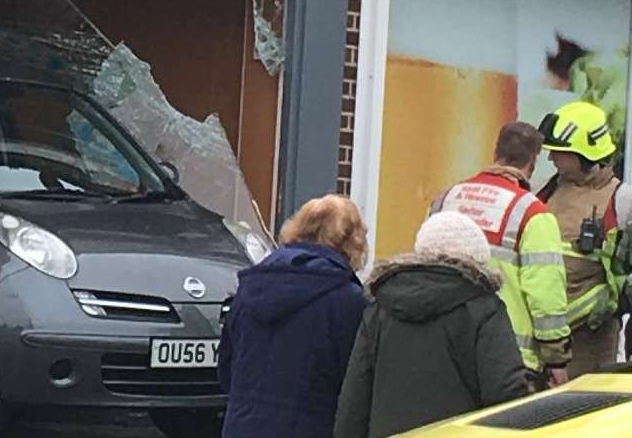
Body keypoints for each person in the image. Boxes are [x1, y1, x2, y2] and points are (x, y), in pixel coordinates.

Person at [335, 211, 529, 438]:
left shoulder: (381, 307)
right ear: (476, 259)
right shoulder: (484, 308)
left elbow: (354, 399)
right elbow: (505, 393)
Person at [430, 122, 571, 387]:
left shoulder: (446, 199)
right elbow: (545, 294)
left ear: (496, 152)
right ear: (534, 159)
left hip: (446, 351)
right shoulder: (533, 214)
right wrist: (556, 361)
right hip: (510, 361)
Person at [218, 194, 367, 438]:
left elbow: (226, 367)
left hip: (242, 427)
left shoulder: (250, 287)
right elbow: (353, 384)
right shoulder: (347, 299)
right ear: (352, 242)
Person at [536, 100, 632, 378]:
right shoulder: (547, 192)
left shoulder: (622, 201)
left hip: (591, 340)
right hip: (547, 338)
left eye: (559, 152)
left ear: (585, 154)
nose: (551, 158)